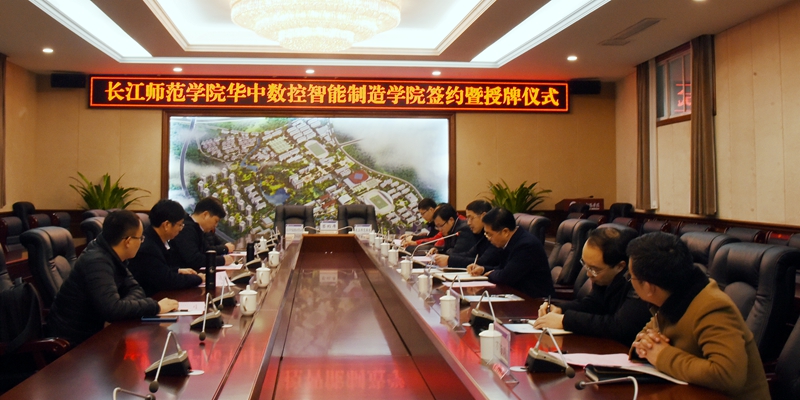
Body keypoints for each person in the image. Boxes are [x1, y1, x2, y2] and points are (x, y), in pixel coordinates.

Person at [627, 232, 769, 400]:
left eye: (631, 277)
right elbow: (646, 337)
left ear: (649, 287)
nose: (630, 281)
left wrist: (662, 356)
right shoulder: (672, 295)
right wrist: (645, 345)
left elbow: (727, 375)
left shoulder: (712, 307)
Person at [47, 210, 178, 345]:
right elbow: (112, 310)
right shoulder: (96, 261)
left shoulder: (112, 254)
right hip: (75, 341)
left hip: (96, 332)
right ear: (128, 241)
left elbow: (136, 289)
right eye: (140, 238)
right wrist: (155, 306)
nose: (141, 242)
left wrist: (122, 307)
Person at [533, 225, 650, 345]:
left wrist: (565, 320)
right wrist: (560, 309)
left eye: (594, 269)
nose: (588, 274)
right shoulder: (604, 277)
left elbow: (620, 327)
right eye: (585, 265)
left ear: (620, 266)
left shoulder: (639, 280)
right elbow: (593, 304)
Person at [467, 208, 553, 298]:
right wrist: (483, 269)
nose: (488, 238)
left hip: (534, 300)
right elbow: (502, 268)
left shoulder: (526, 245)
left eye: (490, 234)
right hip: (515, 295)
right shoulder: (512, 241)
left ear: (505, 232)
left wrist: (491, 274)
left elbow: (505, 277)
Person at [128, 199, 205, 297]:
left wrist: (178, 270)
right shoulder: (148, 247)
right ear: (166, 225)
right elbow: (167, 281)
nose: (181, 229)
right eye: (180, 224)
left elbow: (162, 269)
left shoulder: (156, 239)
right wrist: (198, 278)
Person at [432, 200, 501, 268]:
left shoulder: (495, 235)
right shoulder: (482, 235)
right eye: (468, 218)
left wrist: (449, 260)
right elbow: (470, 254)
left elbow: (482, 262)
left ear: (483, 216)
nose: (468, 223)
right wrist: (445, 257)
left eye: (471, 218)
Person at [170, 197, 233, 270]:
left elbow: (206, 250)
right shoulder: (186, 229)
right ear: (205, 215)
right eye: (216, 221)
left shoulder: (199, 229)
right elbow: (194, 259)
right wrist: (222, 260)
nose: (216, 225)